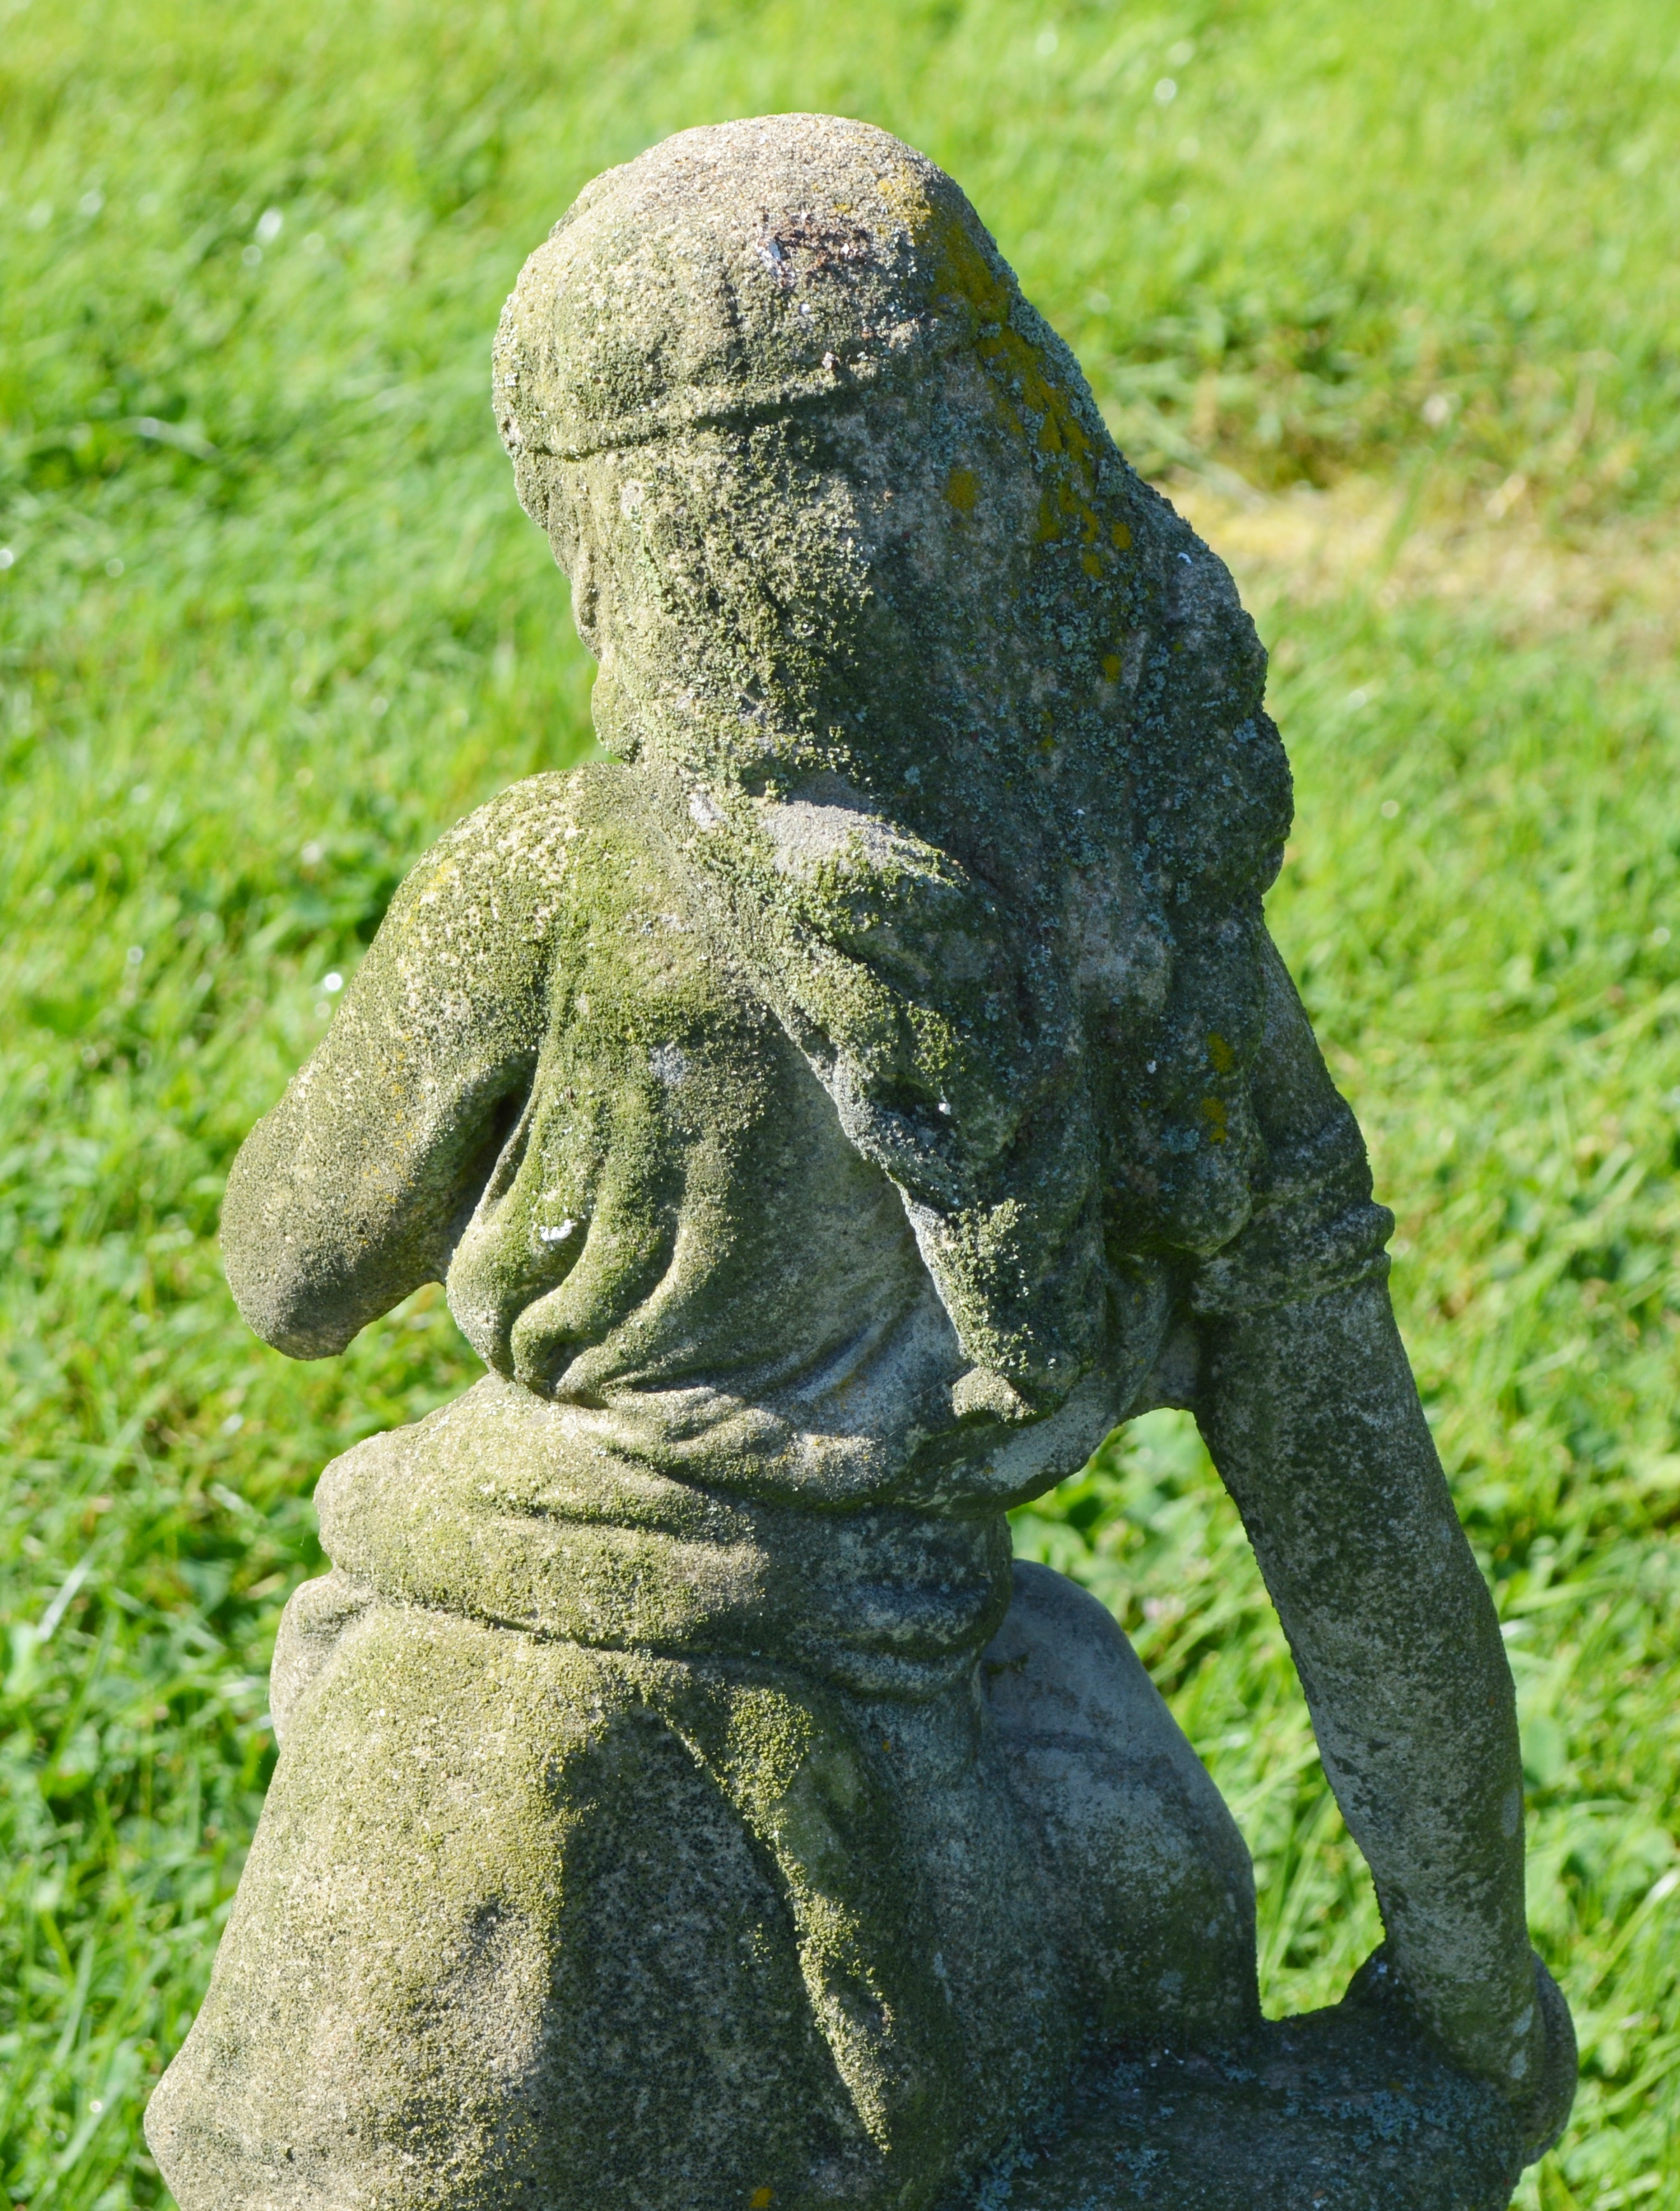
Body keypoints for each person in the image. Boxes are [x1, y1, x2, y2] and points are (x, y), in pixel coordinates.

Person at [147, 114, 1573, 2211]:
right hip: (977, 1796)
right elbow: (1360, 1519)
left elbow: (287, 1274)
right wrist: (1469, 1997)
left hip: (490, 1835)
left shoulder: (544, 887)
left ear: (609, 540)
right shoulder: (1163, 963)